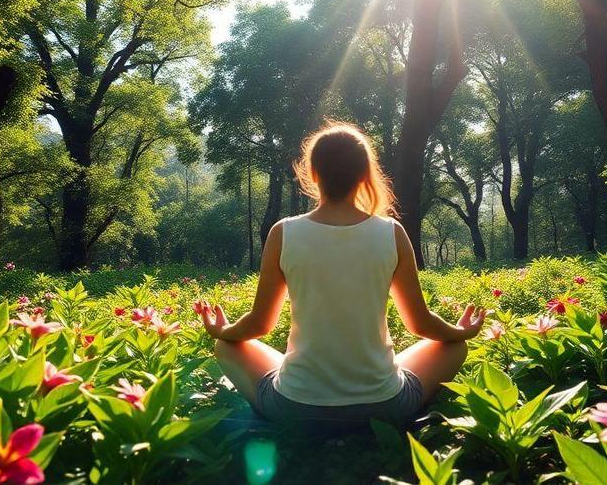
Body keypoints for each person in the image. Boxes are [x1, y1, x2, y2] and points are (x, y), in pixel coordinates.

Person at [194, 121, 485, 428]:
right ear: (364, 174)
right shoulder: (391, 232)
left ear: (313, 174)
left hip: (295, 407)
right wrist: (460, 332)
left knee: (226, 346)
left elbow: (260, 325)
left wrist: (222, 331)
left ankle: (305, 390)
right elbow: (420, 324)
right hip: (384, 408)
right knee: (454, 348)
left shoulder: (284, 233)